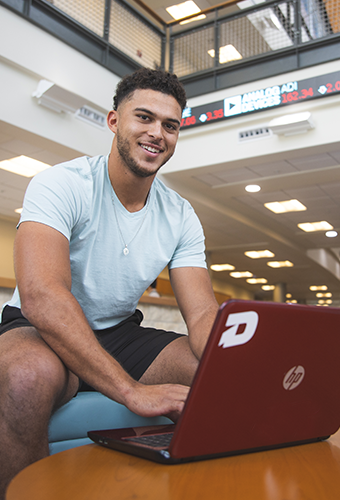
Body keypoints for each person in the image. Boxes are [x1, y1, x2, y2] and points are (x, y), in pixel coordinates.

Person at [0, 68, 219, 498]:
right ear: (114, 121)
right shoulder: (60, 184)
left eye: (170, 125)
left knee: (210, 376)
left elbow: (203, 313)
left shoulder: (180, 214)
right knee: (26, 377)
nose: (157, 133)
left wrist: (236, 366)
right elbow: (43, 297)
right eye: (144, 118)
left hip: (117, 331)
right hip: (36, 327)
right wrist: (130, 391)